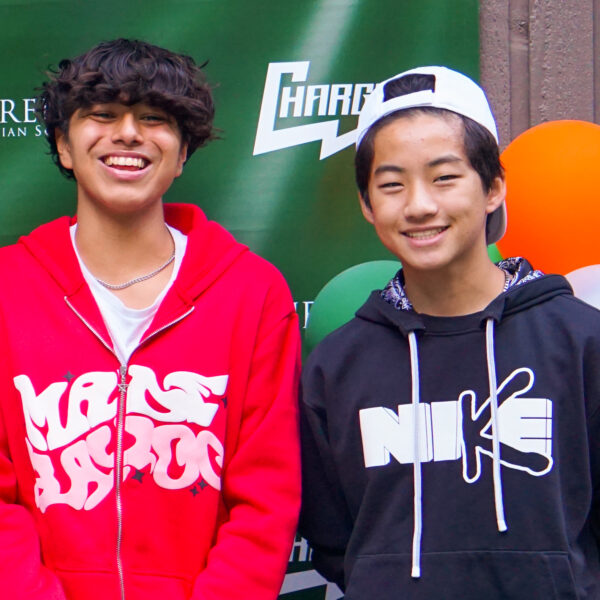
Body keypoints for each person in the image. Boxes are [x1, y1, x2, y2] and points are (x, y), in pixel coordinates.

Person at [0, 39, 301, 600]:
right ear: (64, 145)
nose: (129, 134)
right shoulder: (6, 288)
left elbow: (265, 498)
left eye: (154, 118)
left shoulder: (252, 292)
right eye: (103, 115)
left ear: (183, 152)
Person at [299, 65, 600, 599]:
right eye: (392, 185)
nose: (419, 205)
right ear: (368, 206)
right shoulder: (337, 366)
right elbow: (332, 537)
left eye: (444, 177)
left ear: (493, 188)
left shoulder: (580, 341)